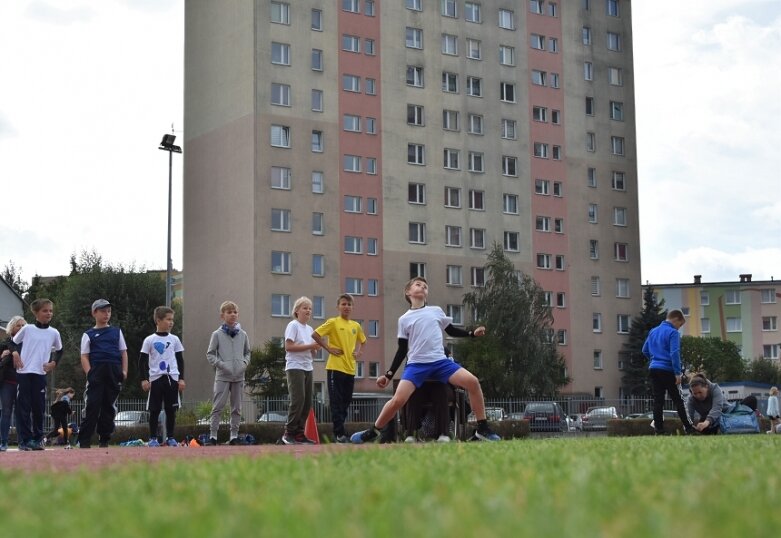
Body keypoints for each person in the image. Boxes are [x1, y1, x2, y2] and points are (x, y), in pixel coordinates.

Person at [351, 277, 500, 444]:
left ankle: (482, 429)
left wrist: (471, 334)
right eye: (418, 285)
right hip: (416, 365)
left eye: (425, 287)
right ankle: (374, 431)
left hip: (440, 362)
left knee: (473, 382)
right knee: (398, 400)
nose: (422, 287)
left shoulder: (435, 311)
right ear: (408, 292)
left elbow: (450, 330)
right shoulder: (404, 319)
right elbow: (402, 349)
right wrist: (388, 375)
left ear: (426, 295)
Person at [311, 294, 366, 443]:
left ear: (352, 307)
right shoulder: (333, 322)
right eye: (343, 304)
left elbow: (363, 340)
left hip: (350, 369)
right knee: (336, 401)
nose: (346, 307)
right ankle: (339, 434)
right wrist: (328, 348)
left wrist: (359, 352)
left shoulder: (356, 326)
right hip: (335, 368)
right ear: (338, 307)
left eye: (349, 304)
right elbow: (315, 334)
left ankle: (341, 431)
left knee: (346, 401)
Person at [10, 298, 63, 451]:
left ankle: (38, 439)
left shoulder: (54, 332)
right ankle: (24, 441)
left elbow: (60, 350)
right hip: (24, 372)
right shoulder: (28, 329)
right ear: (36, 313)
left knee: (39, 408)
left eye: (51, 311)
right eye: (45, 310)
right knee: (23, 409)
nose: (49, 313)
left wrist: (53, 363)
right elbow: (12, 342)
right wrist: (15, 354)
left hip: (40, 374)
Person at [77, 299, 129, 449]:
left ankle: (104, 439)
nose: (106, 314)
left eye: (109, 311)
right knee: (92, 405)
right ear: (94, 313)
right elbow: (84, 356)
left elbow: (123, 353)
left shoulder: (116, 331)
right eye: (103, 311)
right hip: (96, 372)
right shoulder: (88, 334)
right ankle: (84, 440)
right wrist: (89, 373)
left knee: (109, 406)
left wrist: (124, 371)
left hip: (114, 371)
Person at [642, 309, 695, 435]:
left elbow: (644, 350)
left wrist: (655, 359)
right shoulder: (673, 333)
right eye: (680, 325)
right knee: (678, 400)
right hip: (668, 370)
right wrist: (678, 373)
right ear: (676, 319)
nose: (679, 328)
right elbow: (674, 353)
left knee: (658, 401)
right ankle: (689, 428)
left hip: (654, 369)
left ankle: (659, 430)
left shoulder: (653, 331)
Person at [205, 301, 250, 446]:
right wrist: (222, 365)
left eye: (235, 312)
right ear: (222, 315)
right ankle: (213, 436)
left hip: (239, 376)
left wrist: (244, 364)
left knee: (236, 408)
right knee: (217, 406)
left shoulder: (243, 334)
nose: (232, 314)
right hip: (223, 376)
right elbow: (210, 354)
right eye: (229, 312)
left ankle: (234, 436)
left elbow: (248, 352)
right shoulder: (216, 334)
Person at [139, 306, 185, 446]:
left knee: (171, 410)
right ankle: (153, 438)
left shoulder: (175, 339)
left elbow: (180, 359)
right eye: (168, 319)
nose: (171, 322)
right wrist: (144, 379)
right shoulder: (149, 340)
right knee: (154, 409)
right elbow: (142, 361)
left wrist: (181, 378)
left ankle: (170, 437)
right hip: (156, 379)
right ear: (158, 321)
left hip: (172, 378)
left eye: (172, 320)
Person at [281, 296, 319, 445]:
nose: (308, 310)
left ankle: (299, 433)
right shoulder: (293, 325)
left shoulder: (310, 329)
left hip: (307, 366)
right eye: (305, 308)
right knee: (298, 399)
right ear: (297, 311)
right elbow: (288, 347)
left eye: (310, 308)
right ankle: (288, 432)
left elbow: (312, 352)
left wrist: (315, 348)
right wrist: (310, 346)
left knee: (307, 401)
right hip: (295, 366)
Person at [0, 315, 25, 451]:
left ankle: (23, 442)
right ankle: (3, 442)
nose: (21, 328)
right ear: (12, 328)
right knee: (6, 412)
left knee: (22, 413)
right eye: (18, 325)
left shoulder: (28, 343)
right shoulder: (4, 344)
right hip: (7, 383)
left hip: (23, 382)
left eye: (23, 326)